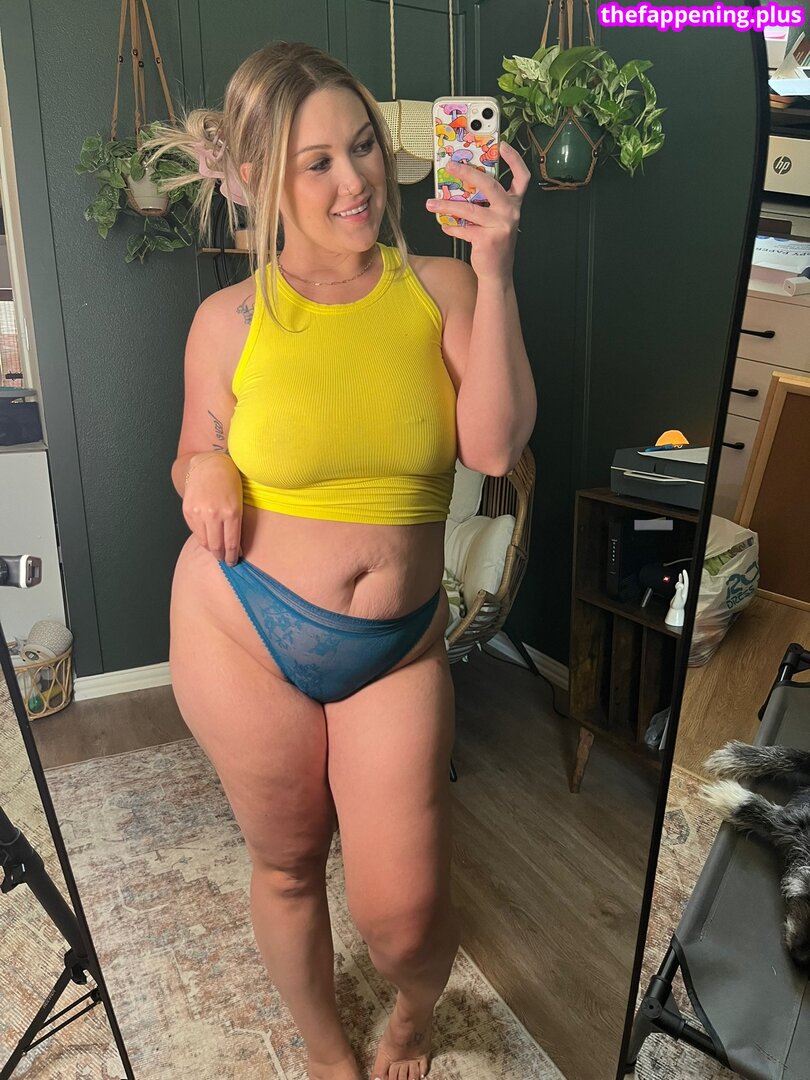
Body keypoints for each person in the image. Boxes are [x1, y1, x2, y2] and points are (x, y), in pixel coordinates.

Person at [148, 40, 535, 1080]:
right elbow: (192, 451)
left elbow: (494, 448)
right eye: (316, 162)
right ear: (259, 179)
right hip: (241, 628)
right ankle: (327, 1051)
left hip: (395, 645)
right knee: (285, 865)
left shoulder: (441, 289)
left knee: (405, 914)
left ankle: (410, 1016)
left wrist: (497, 272)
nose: (355, 179)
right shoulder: (226, 320)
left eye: (362, 146)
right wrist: (205, 472)